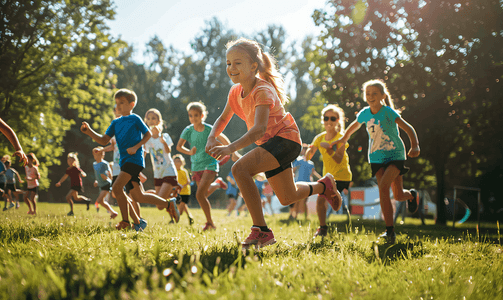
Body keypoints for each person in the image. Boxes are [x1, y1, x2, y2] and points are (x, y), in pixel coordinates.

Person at [205, 38, 341, 249]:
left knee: (239, 169)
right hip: (272, 144)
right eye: (228, 63)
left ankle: (261, 231)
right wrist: (211, 137)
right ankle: (324, 186)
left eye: (237, 63)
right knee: (288, 197)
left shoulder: (262, 90)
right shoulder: (235, 92)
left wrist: (230, 148)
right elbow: (223, 119)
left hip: (285, 140)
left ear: (253, 66)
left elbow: (259, 129)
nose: (231, 68)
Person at [332, 79, 420, 244]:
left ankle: (390, 231)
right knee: (399, 194)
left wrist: (415, 145)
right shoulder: (365, 113)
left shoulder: (388, 112)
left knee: (384, 187)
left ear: (382, 95)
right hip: (376, 157)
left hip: (395, 155)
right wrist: (343, 139)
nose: (370, 96)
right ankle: (410, 198)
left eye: (374, 93)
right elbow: (353, 127)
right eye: (368, 94)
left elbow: (408, 128)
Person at [81, 88, 177, 231]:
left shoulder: (135, 119)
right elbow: (103, 140)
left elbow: (148, 134)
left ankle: (126, 221)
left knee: (117, 187)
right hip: (125, 162)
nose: (118, 106)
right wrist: (89, 131)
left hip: (135, 160)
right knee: (139, 196)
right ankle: (169, 204)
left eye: (122, 102)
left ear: (132, 104)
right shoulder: (115, 123)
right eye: (117, 103)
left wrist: (136, 147)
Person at [176, 101, 230, 231]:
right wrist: (189, 152)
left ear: (202, 115)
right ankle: (217, 184)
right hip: (196, 166)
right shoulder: (188, 130)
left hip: (210, 164)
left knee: (200, 196)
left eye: (196, 115)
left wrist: (224, 151)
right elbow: (179, 146)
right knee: (203, 194)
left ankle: (210, 223)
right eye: (190, 115)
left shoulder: (209, 129)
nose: (193, 118)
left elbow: (226, 141)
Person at [306, 104, 353, 238]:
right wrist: (309, 151)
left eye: (333, 118)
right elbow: (309, 156)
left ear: (338, 121)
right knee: (320, 201)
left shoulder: (341, 138)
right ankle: (323, 228)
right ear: (323, 120)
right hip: (328, 177)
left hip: (342, 176)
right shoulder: (319, 138)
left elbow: (338, 159)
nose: (329, 121)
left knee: (323, 198)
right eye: (326, 118)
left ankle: (334, 197)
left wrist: (329, 149)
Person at [144, 108, 180, 222]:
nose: (151, 121)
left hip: (168, 170)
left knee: (160, 205)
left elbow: (168, 151)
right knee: (159, 201)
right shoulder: (147, 140)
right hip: (158, 173)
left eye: (153, 118)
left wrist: (164, 142)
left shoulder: (165, 136)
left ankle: (173, 193)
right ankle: (173, 201)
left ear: (159, 121)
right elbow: (144, 154)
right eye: (148, 118)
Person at [291, 144, 321, 220]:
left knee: (305, 201)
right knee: (297, 201)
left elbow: (313, 173)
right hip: (298, 183)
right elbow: (293, 171)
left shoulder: (311, 163)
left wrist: (322, 178)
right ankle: (294, 216)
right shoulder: (298, 160)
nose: (305, 151)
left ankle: (306, 217)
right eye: (304, 149)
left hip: (308, 184)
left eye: (306, 149)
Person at [92, 147, 118, 219]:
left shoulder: (105, 164)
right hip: (101, 185)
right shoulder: (94, 164)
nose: (97, 156)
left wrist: (106, 178)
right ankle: (113, 213)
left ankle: (113, 212)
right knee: (101, 202)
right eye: (95, 155)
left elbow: (110, 174)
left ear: (102, 155)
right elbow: (96, 175)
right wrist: (96, 181)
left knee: (99, 200)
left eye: (99, 155)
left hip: (106, 184)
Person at [173, 154, 194, 225]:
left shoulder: (184, 171)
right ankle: (190, 216)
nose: (177, 163)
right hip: (177, 192)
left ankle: (174, 220)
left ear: (182, 162)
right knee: (182, 205)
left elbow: (188, 181)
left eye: (179, 161)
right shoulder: (173, 171)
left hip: (185, 192)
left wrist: (182, 186)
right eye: (175, 161)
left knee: (180, 212)